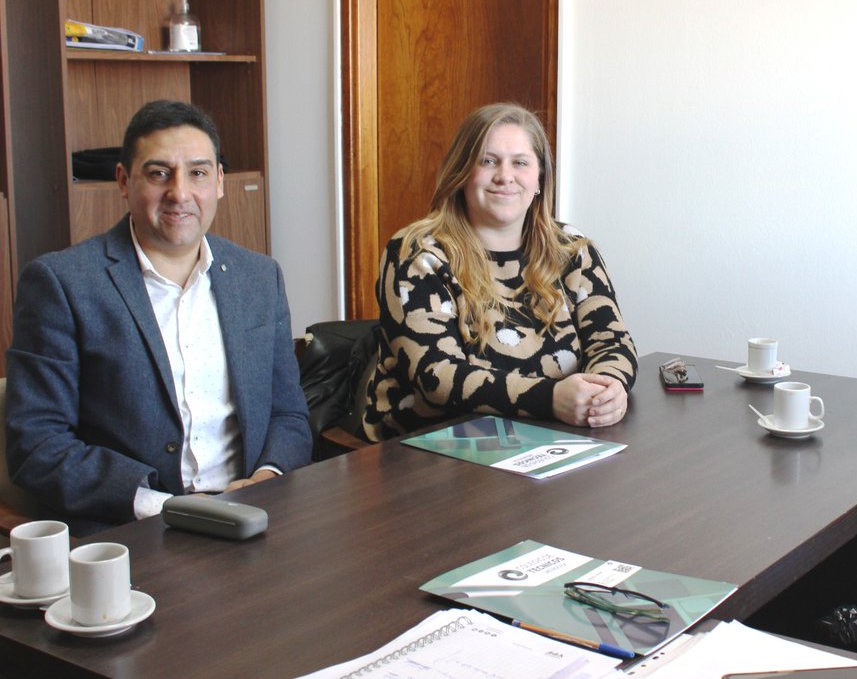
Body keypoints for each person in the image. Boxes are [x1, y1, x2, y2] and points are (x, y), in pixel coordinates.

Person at [5, 100, 312, 535]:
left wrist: (266, 482)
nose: (180, 193)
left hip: (255, 516)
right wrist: (162, 506)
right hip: (136, 531)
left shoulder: (260, 278)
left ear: (220, 182)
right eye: (158, 173)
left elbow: (289, 416)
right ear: (124, 182)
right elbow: (36, 445)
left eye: (198, 173)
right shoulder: (61, 283)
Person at [363, 102, 637, 440]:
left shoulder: (573, 250)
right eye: (488, 161)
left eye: (520, 163)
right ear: (461, 173)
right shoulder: (417, 252)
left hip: (546, 436)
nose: (504, 176)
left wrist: (609, 389)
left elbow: (612, 341)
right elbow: (437, 375)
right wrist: (550, 399)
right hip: (430, 445)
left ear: (539, 179)